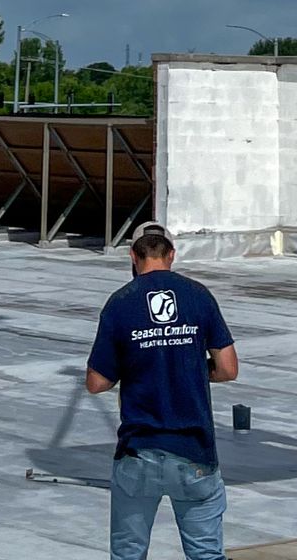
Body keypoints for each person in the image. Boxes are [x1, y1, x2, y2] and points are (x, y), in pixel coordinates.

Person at [86, 221, 239, 560]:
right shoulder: (199, 295)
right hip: (194, 453)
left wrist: (136, 365)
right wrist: (194, 370)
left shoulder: (120, 303)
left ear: (132, 256)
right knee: (206, 555)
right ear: (171, 254)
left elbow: (96, 382)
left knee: (128, 554)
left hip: (139, 453)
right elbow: (228, 368)